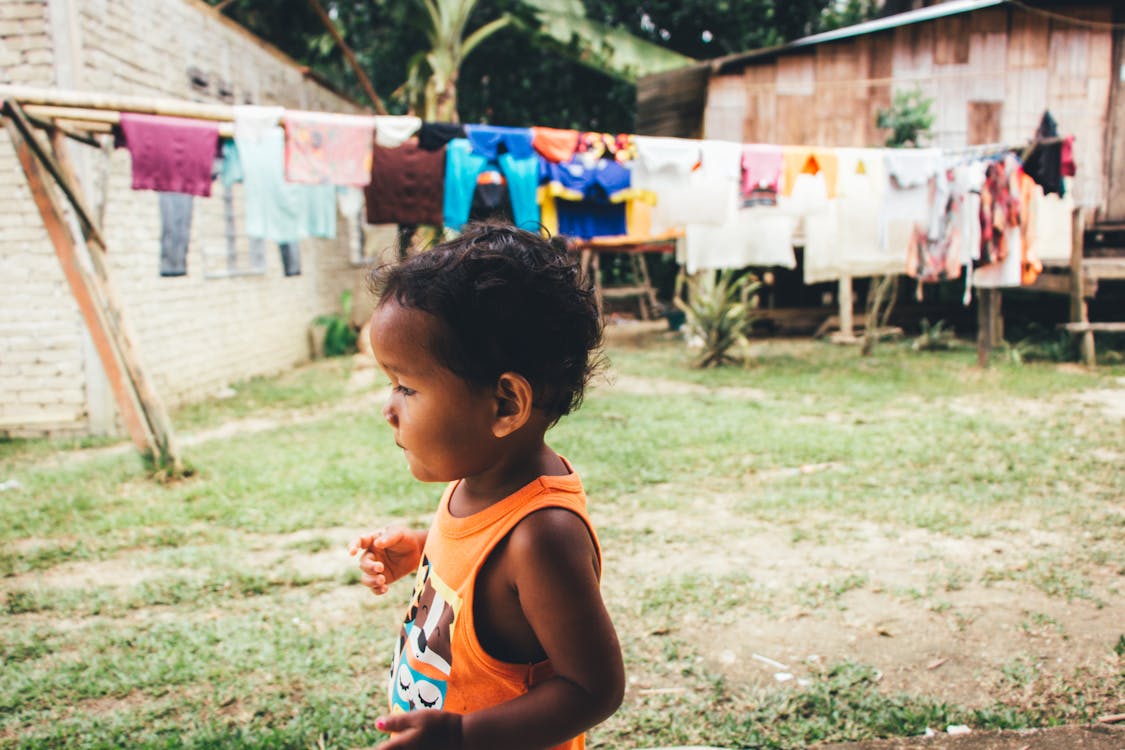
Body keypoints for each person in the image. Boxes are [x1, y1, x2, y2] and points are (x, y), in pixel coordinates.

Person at [349, 223, 625, 750]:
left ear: (504, 405)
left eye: (406, 386)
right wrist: (424, 554)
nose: (388, 410)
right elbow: (485, 574)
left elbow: (595, 688)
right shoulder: (479, 481)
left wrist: (463, 734)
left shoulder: (543, 535)